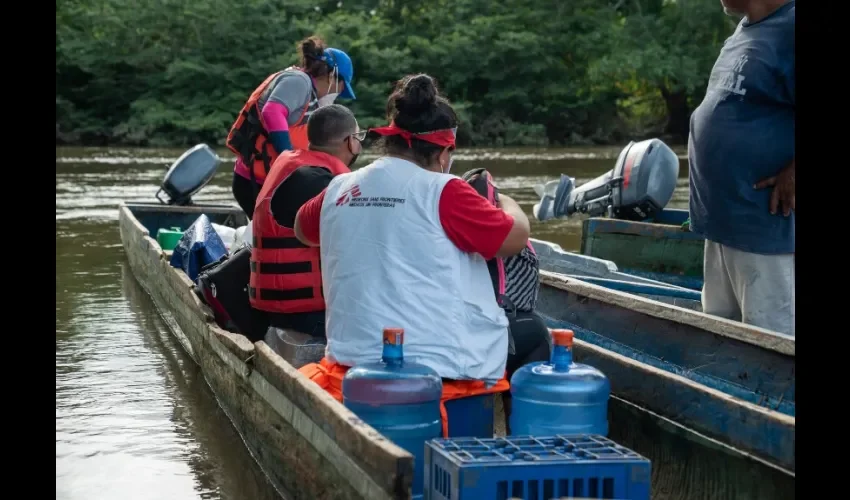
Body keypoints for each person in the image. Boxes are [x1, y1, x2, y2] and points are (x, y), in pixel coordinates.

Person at [294, 73, 531, 436]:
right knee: (533, 336)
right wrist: (506, 203)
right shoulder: (446, 191)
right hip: (438, 367)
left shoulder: (338, 188)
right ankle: (522, 447)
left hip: (352, 361)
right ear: (444, 151)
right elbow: (513, 238)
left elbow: (302, 229)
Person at [688, 0, 794, 335]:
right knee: (721, 337)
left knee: (771, 339)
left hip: (763, 225)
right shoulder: (746, 28)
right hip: (722, 221)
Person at [249, 104, 362, 338]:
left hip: (271, 306)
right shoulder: (318, 180)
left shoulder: (291, 164)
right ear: (350, 141)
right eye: (359, 137)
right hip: (307, 313)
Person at [460, 168, 551, 433]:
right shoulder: (503, 234)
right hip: (478, 341)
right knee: (535, 333)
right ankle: (523, 436)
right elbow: (522, 302)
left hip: (429, 331)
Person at [226, 35, 356, 218]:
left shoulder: (310, 94)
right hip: (254, 182)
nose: (340, 93)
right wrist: (287, 160)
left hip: (265, 181)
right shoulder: (299, 81)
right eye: (342, 87)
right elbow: (272, 112)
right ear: (333, 76)